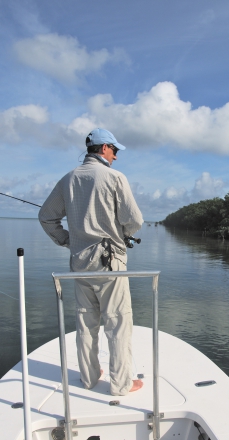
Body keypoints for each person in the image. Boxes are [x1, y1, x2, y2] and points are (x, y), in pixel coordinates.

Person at [39, 128, 144, 396]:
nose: (117, 157)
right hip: (111, 263)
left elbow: (46, 217)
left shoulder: (67, 179)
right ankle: (120, 384)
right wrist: (124, 236)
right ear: (105, 148)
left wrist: (68, 241)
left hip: (79, 263)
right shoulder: (115, 177)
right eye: (115, 150)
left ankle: (88, 377)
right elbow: (135, 220)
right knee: (118, 322)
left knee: (86, 322)